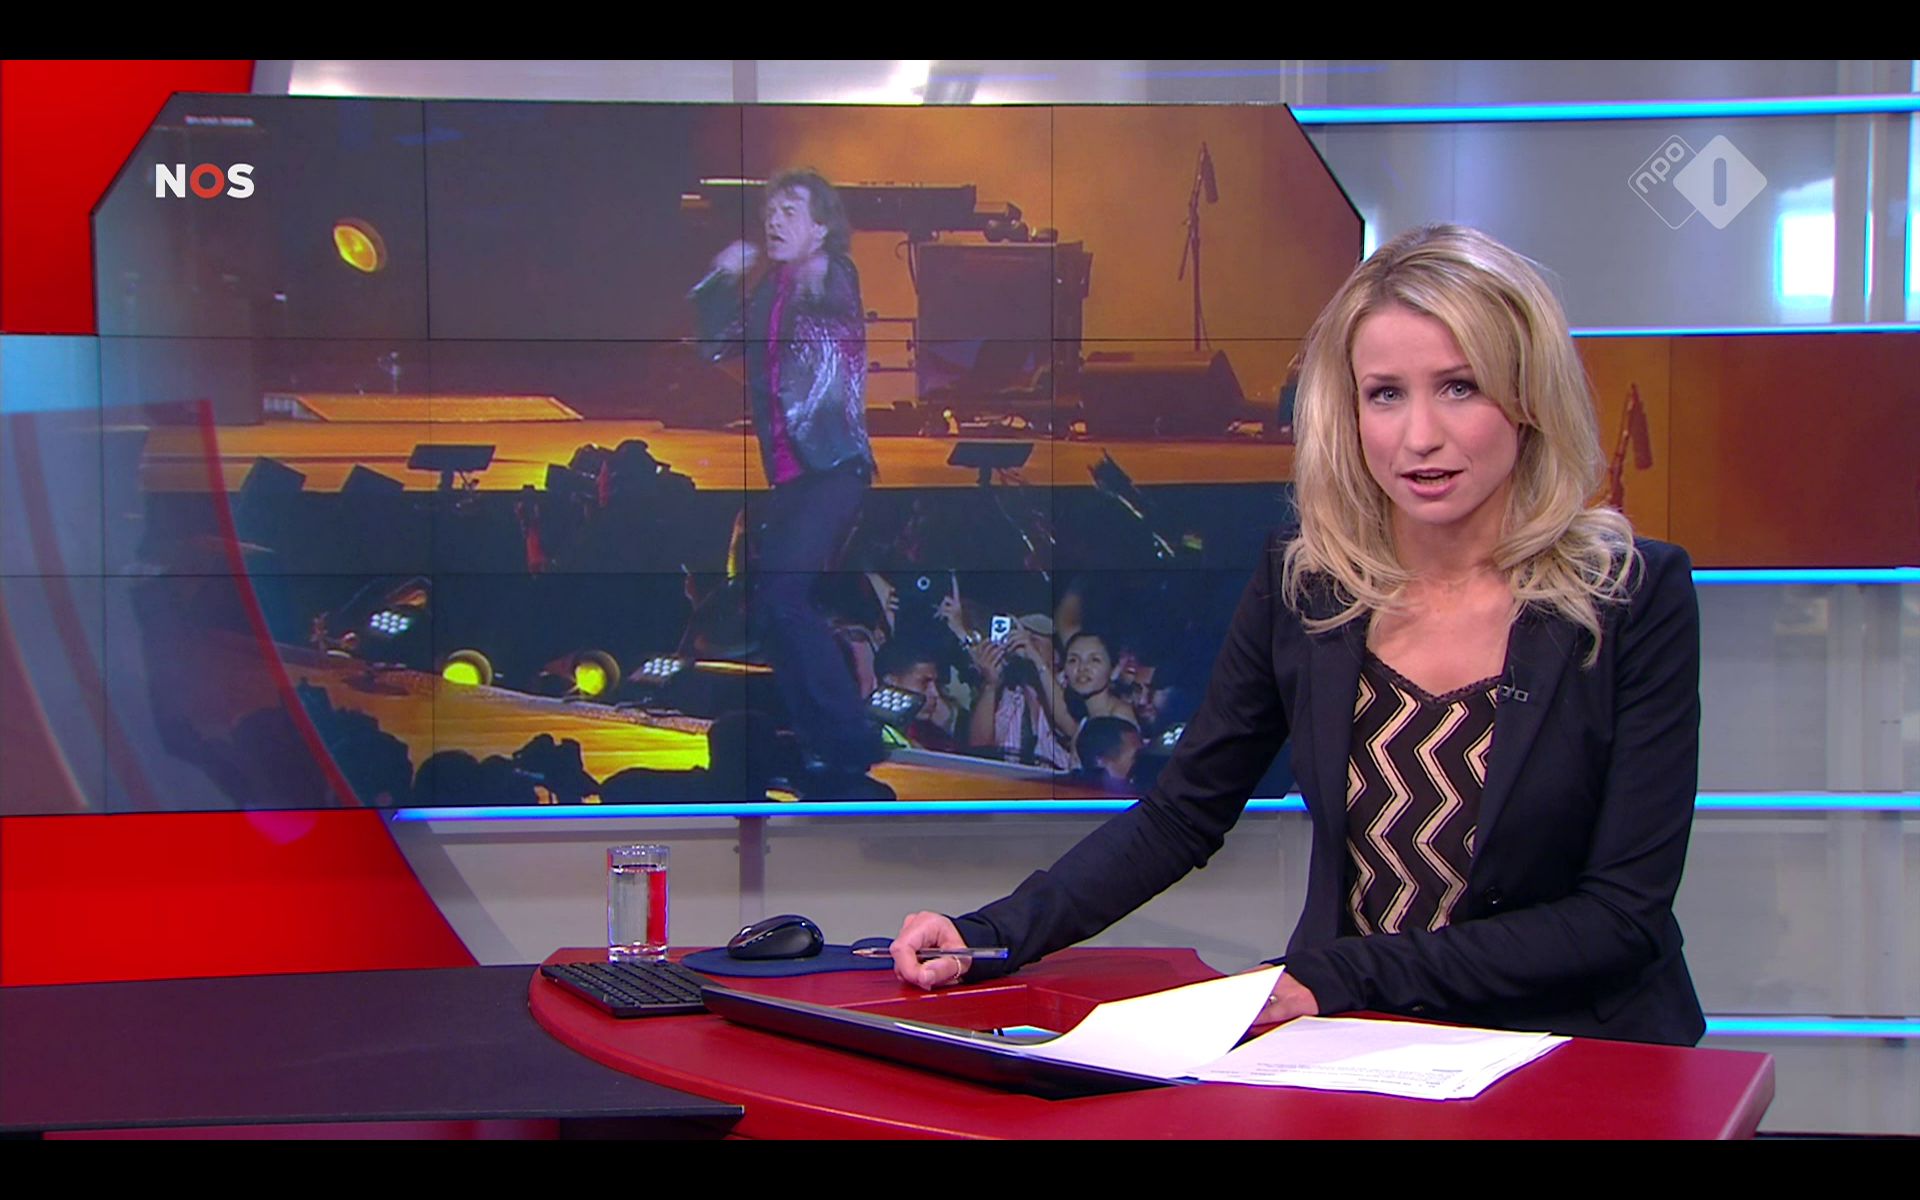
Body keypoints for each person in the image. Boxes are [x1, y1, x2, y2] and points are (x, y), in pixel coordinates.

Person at [891, 224, 1707, 1046]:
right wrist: (992, 934)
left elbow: (1620, 914)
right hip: (1358, 1046)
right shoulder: (1310, 584)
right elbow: (1181, 815)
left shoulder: (1628, 596)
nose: (1420, 435)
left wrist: (1339, 974)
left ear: (1527, 398)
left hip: (1570, 1050)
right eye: (1385, 394)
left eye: (1460, 387)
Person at [692, 169, 888, 800]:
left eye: (790, 212)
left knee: (784, 598)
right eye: (770, 211)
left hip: (833, 467)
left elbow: (826, 302)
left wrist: (807, 268)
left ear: (822, 227)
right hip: (792, 474)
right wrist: (722, 278)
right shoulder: (771, 288)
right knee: (774, 610)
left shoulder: (831, 274)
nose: (774, 221)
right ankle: (819, 741)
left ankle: (851, 738)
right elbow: (713, 347)